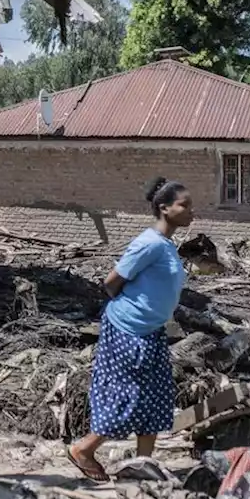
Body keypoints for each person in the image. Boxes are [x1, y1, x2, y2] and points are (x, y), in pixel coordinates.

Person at [68, 177, 194, 482]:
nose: (192, 212)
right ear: (164, 209)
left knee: (155, 396)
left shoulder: (165, 244)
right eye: (184, 205)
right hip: (129, 330)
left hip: (150, 331)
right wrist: (132, 312)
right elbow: (112, 282)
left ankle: (143, 466)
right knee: (129, 396)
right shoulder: (148, 243)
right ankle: (83, 450)